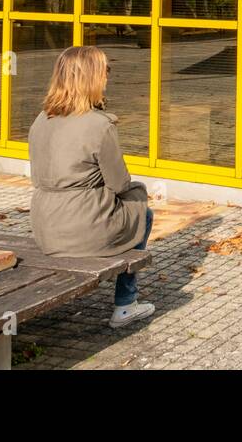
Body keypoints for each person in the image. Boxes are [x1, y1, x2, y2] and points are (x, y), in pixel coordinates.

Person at [28, 45, 156, 328]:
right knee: (141, 206)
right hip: (84, 228)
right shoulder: (99, 125)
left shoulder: (40, 120)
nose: (108, 77)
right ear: (91, 78)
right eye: (104, 71)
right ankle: (126, 303)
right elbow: (120, 183)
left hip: (45, 226)